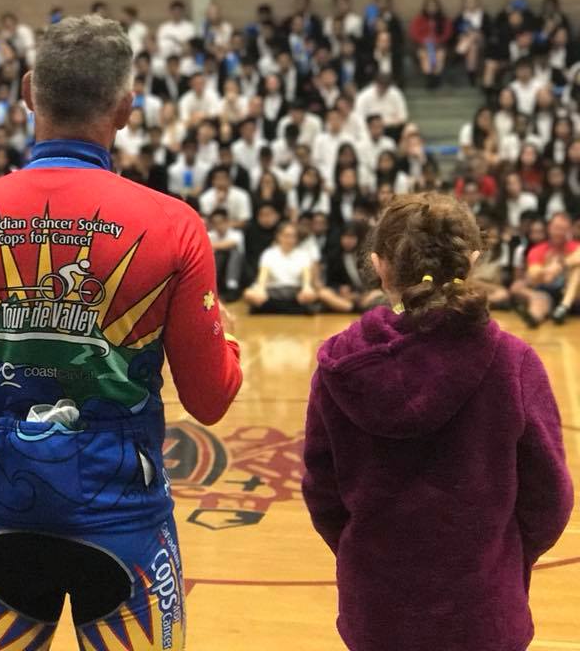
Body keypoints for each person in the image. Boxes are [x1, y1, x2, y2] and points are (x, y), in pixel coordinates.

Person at [0, 15, 242, 651]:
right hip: (125, 524)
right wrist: (229, 345)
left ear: (29, 90)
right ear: (124, 108)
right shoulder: (173, 226)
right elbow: (210, 398)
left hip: (2, 515)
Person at [303, 192, 573, 651]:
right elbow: (550, 496)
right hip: (483, 611)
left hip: (377, 612)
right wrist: (502, 557)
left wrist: (365, 555)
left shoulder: (338, 365)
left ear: (380, 266)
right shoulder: (513, 362)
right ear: (471, 260)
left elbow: (322, 494)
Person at [512, 212, 580, 326]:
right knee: (539, 300)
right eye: (556, 228)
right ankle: (533, 317)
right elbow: (534, 274)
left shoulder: (575, 247)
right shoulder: (538, 250)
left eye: (563, 229)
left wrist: (559, 265)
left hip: (572, 294)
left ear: (569, 230)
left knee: (578, 268)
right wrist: (548, 270)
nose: (559, 232)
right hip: (548, 292)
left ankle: (564, 306)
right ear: (549, 228)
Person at [243, 221, 318, 314]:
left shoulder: (303, 255)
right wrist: (261, 289)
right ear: (279, 236)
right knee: (248, 294)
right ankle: (289, 308)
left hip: (294, 292)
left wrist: (307, 287)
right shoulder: (269, 253)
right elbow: (263, 274)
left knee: (311, 295)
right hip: (272, 291)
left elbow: (306, 275)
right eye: (286, 235)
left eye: (293, 236)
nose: (290, 239)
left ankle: (274, 308)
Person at [408, 0, 453, 88]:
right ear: (425, 7)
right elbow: (414, 33)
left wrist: (437, 41)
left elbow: (447, 33)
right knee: (424, 55)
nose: (431, 8)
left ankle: (436, 76)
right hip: (423, 46)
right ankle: (429, 77)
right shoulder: (419, 20)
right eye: (429, 6)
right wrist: (423, 41)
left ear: (438, 7)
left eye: (434, 6)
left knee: (440, 55)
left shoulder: (444, 20)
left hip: (439, 46)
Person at [208, 208, 245, 301]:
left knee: (234, 253)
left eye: (220, 222)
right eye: (215, 223)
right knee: (218, 256)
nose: (218, 226)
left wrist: (214, 246)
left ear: (227, 222)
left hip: (237, 266)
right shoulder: (210, 235)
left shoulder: (236, 234)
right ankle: (213, 286)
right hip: (218, 264)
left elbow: (231, 244)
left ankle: (232, 286)